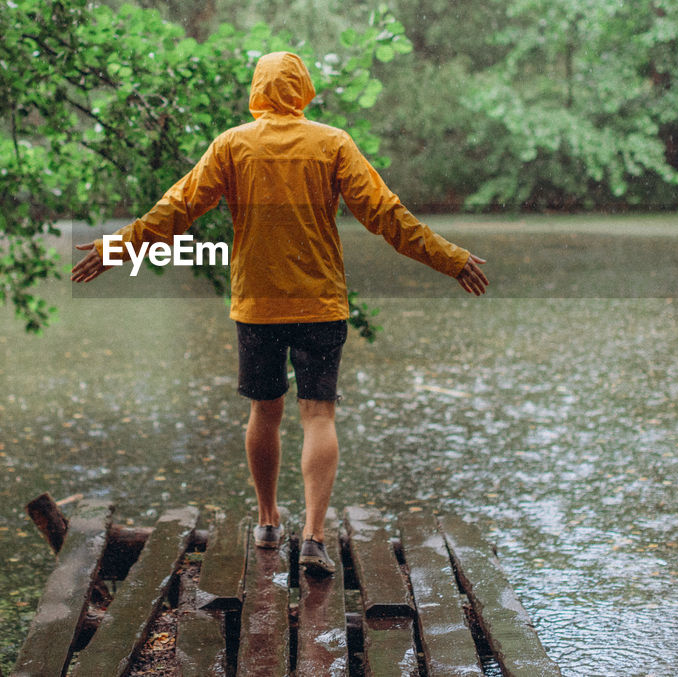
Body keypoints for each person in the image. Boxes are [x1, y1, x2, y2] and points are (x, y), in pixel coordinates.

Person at [71, 51, 488, 575]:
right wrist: (450, 259)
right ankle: (313, 535)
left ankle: (268, 521)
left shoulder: (232, 145)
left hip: (258, 305)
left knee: (264, 412)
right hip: (319, 303)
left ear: (257, 92)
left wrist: (118, 248)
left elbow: (178, 206)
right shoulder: (332, 143)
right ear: (304, 90)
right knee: (318, 414)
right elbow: (387, 215)